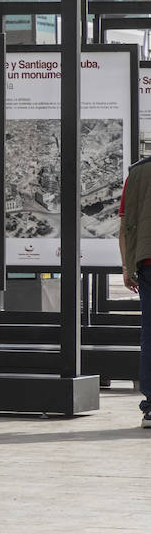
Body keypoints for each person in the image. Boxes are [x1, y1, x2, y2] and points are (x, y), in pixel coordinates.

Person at [116, 159, 151, 428]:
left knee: (149, 333)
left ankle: (150, 407)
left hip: (146, 262)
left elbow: (125, 227)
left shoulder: (136, 173)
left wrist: (127, 267)